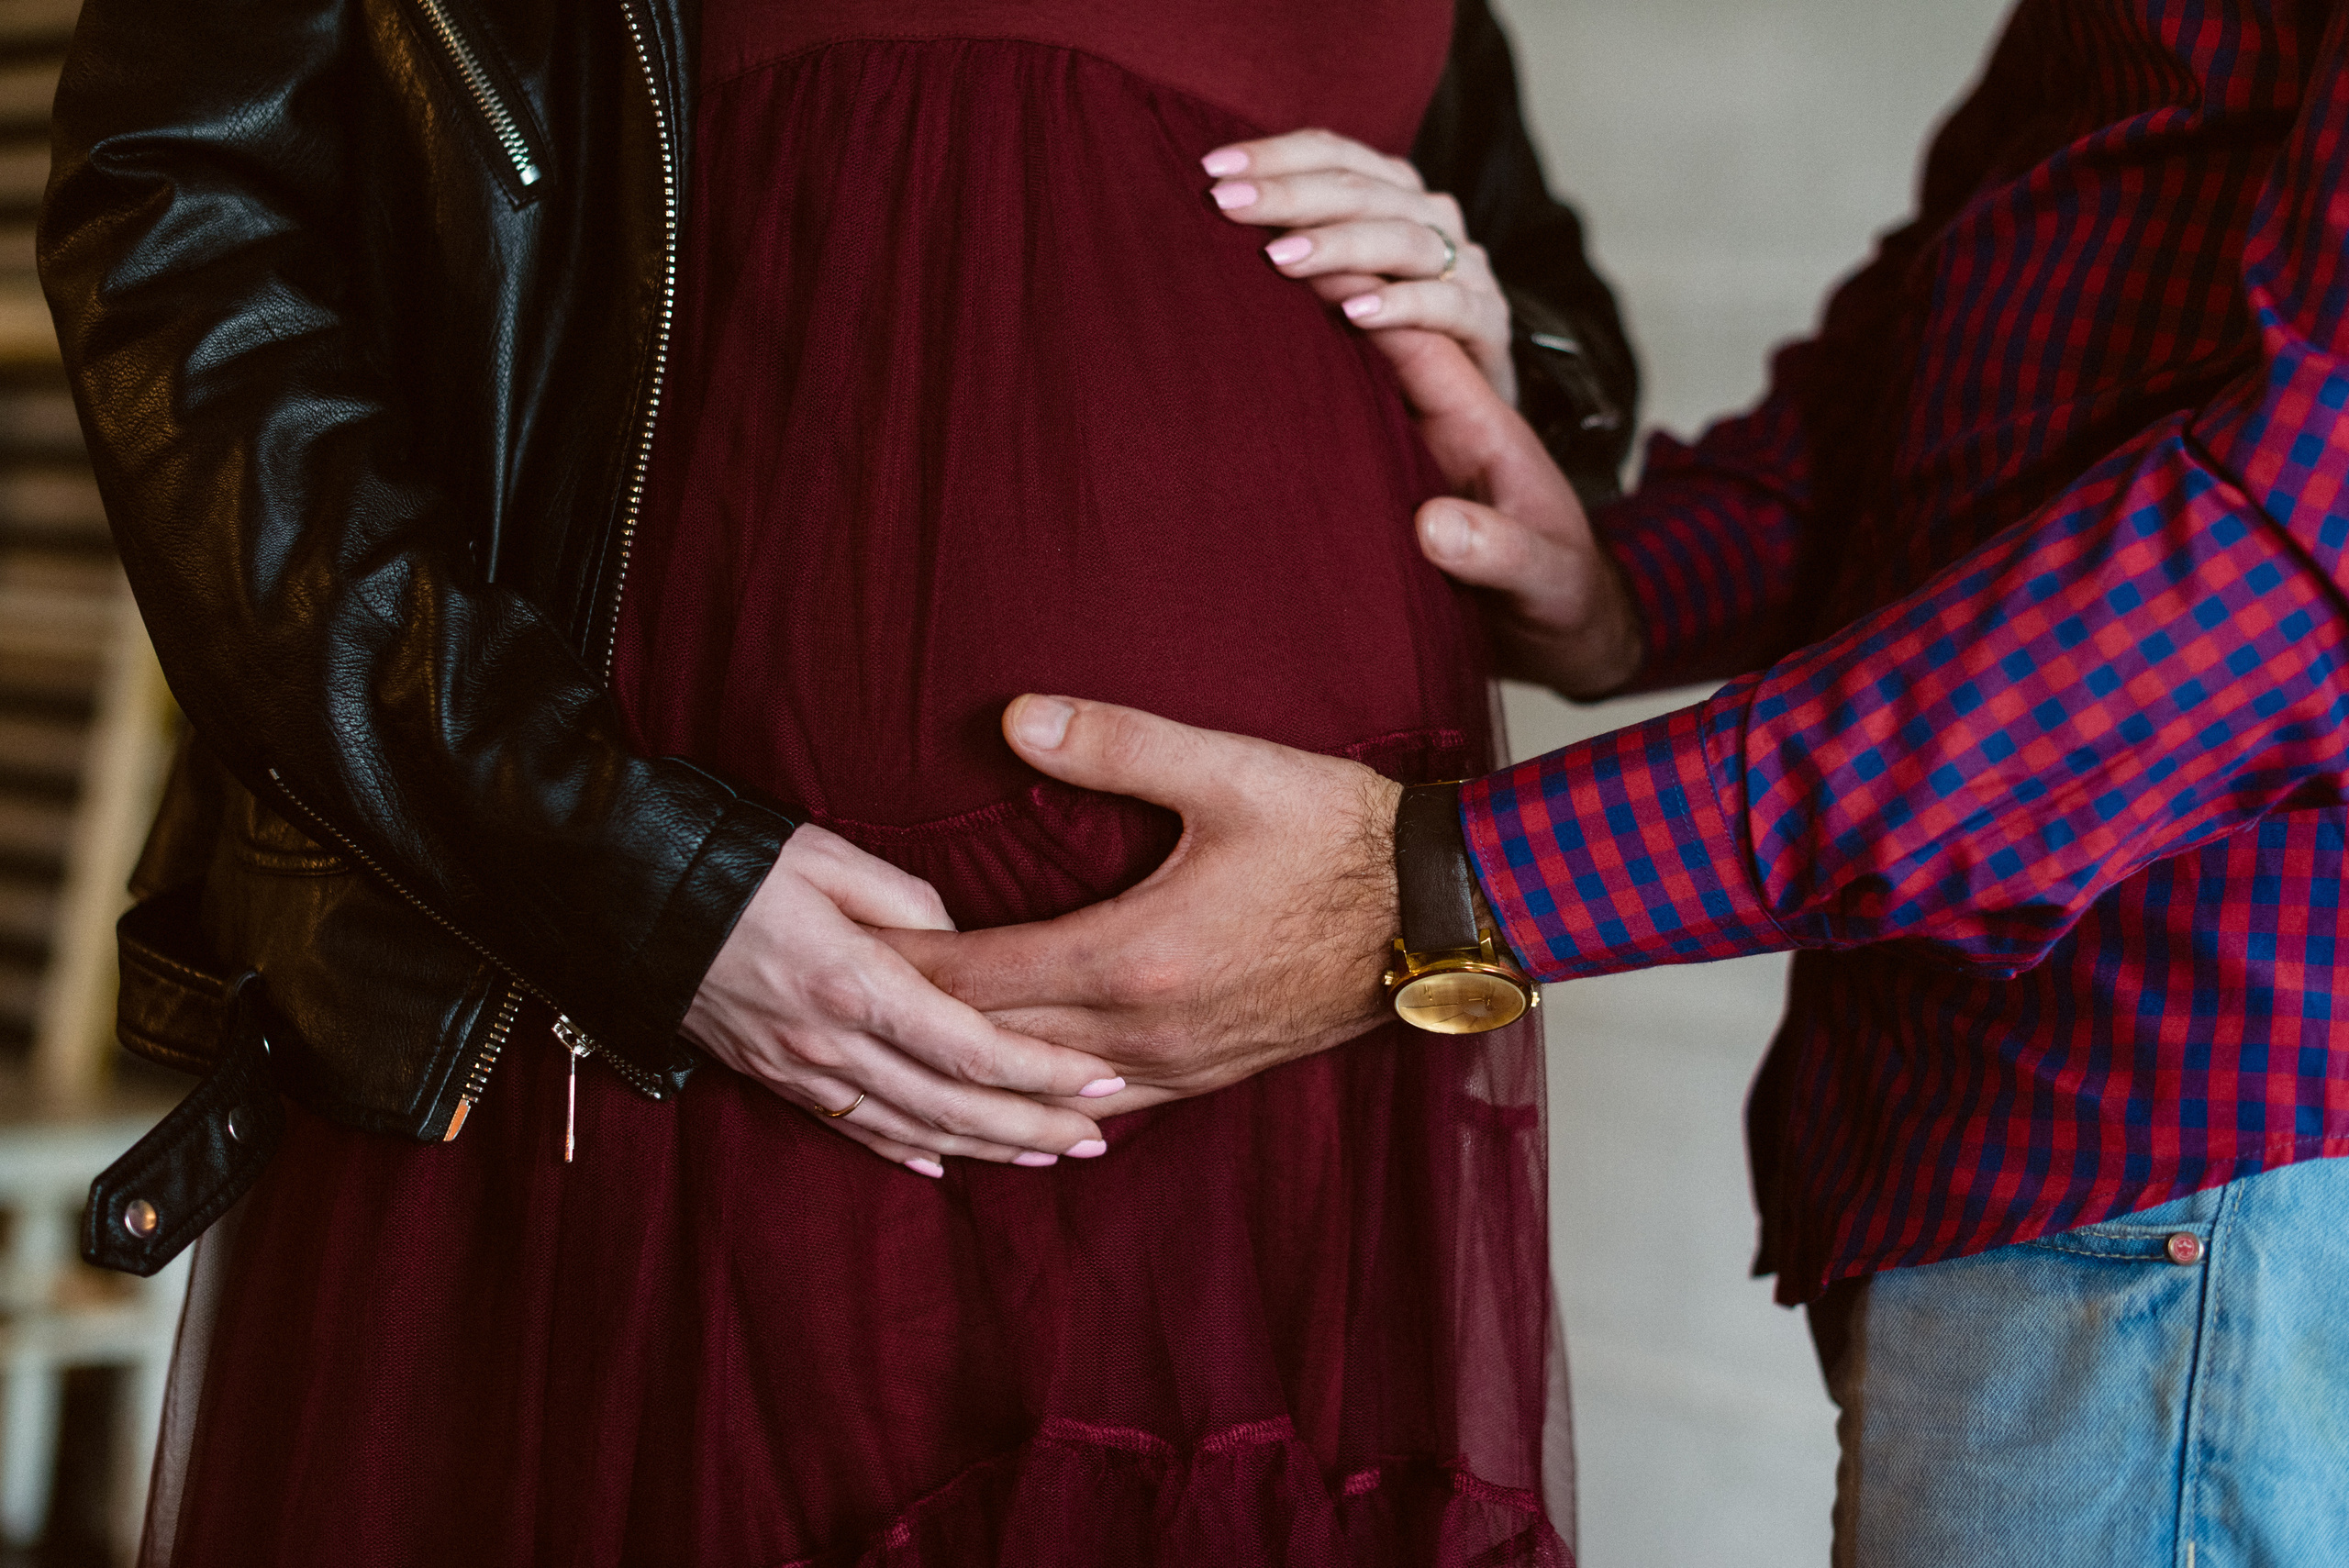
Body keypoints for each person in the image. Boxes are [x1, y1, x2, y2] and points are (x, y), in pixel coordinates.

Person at [40, 0, 1637, 1563]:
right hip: (686, 980)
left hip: (1303, 1020)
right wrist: (617, 866)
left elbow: (1551, 336)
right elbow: (178, 229)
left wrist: (1504, 340)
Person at [895, 5, 2349, 1563]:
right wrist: (1624, 589)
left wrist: (1452, 888)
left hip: (2186, 1116)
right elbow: (1946, 357)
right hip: (2011, 1134)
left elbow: (2292, 558)